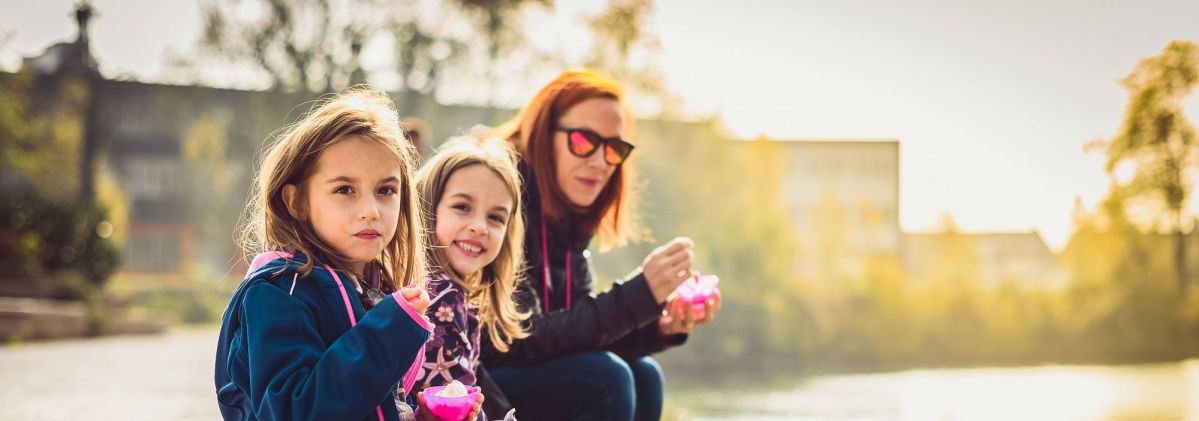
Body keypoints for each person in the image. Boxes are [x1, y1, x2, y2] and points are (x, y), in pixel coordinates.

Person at [481, 69, 722, 421]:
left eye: (614, 149)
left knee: (645, 374)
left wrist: (661, 327)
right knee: (606, 378)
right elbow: (520, 339)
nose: (599, 162)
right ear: (543, 135)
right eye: (583, 141)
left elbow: (577, 337)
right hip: (475, 383)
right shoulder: (500, 199)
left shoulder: (566, 219)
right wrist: (639, 295)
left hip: (521, 370)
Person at [214, 87, 434, 421]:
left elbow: (365, 404)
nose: (371, 210)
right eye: (345, 189)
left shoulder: (373, 289)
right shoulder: (277, 293)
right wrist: (387, 334)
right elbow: (296, 411)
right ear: (296, 201)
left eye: (385, 190)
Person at [409, 133, 529, 420]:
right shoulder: (441, 297)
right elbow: (455, 409)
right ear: (426, 208)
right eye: (462, 207)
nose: (480, 227)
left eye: (496, 217)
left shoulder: (432, 287)